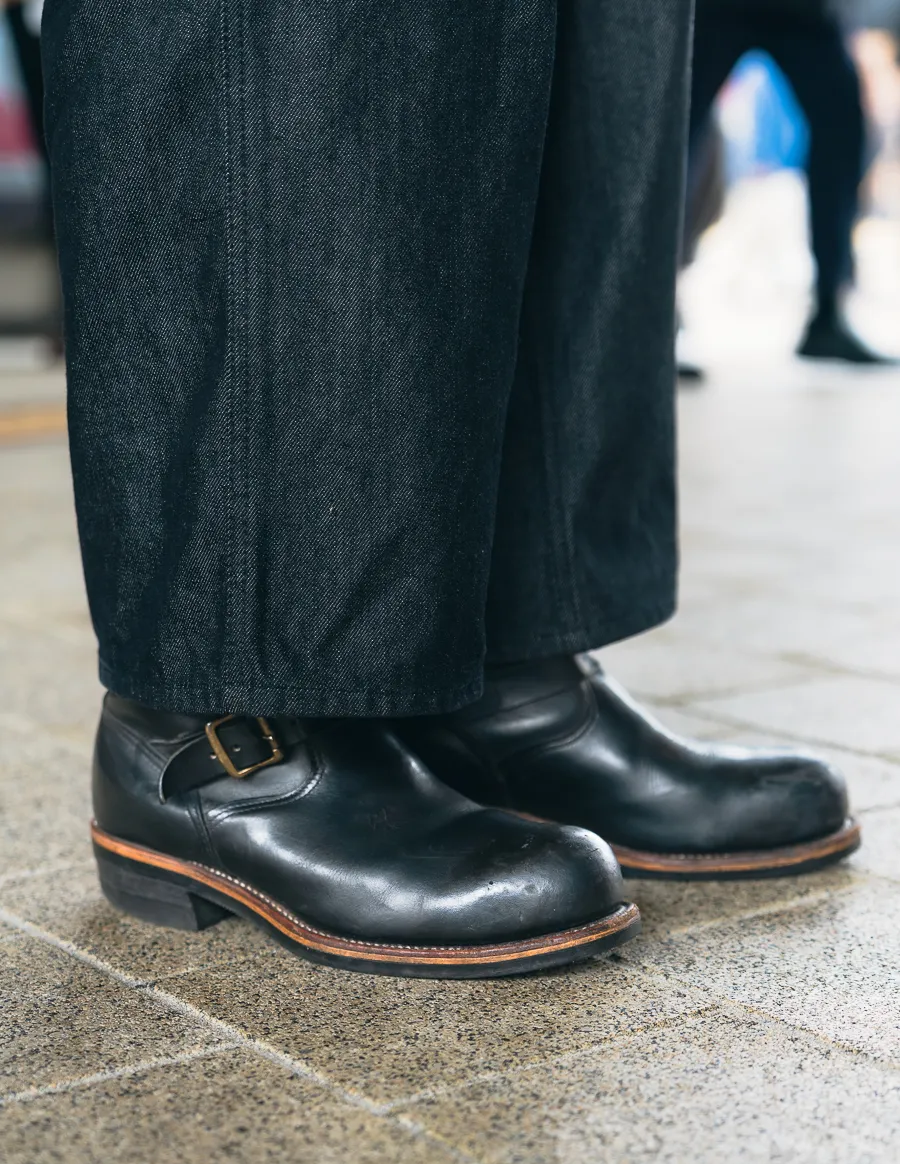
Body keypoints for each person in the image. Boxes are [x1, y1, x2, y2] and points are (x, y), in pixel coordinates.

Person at [40, 0, 859, 981]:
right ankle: (221, 727)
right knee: (318, 39)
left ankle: (499, 677)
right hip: (223, 723)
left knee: (587, 46)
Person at [689, 0, 895, 363]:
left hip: (801, 9)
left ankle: (829, 310)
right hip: (719, 7)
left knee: (841, 117)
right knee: (673, 130)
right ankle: (648, 305)